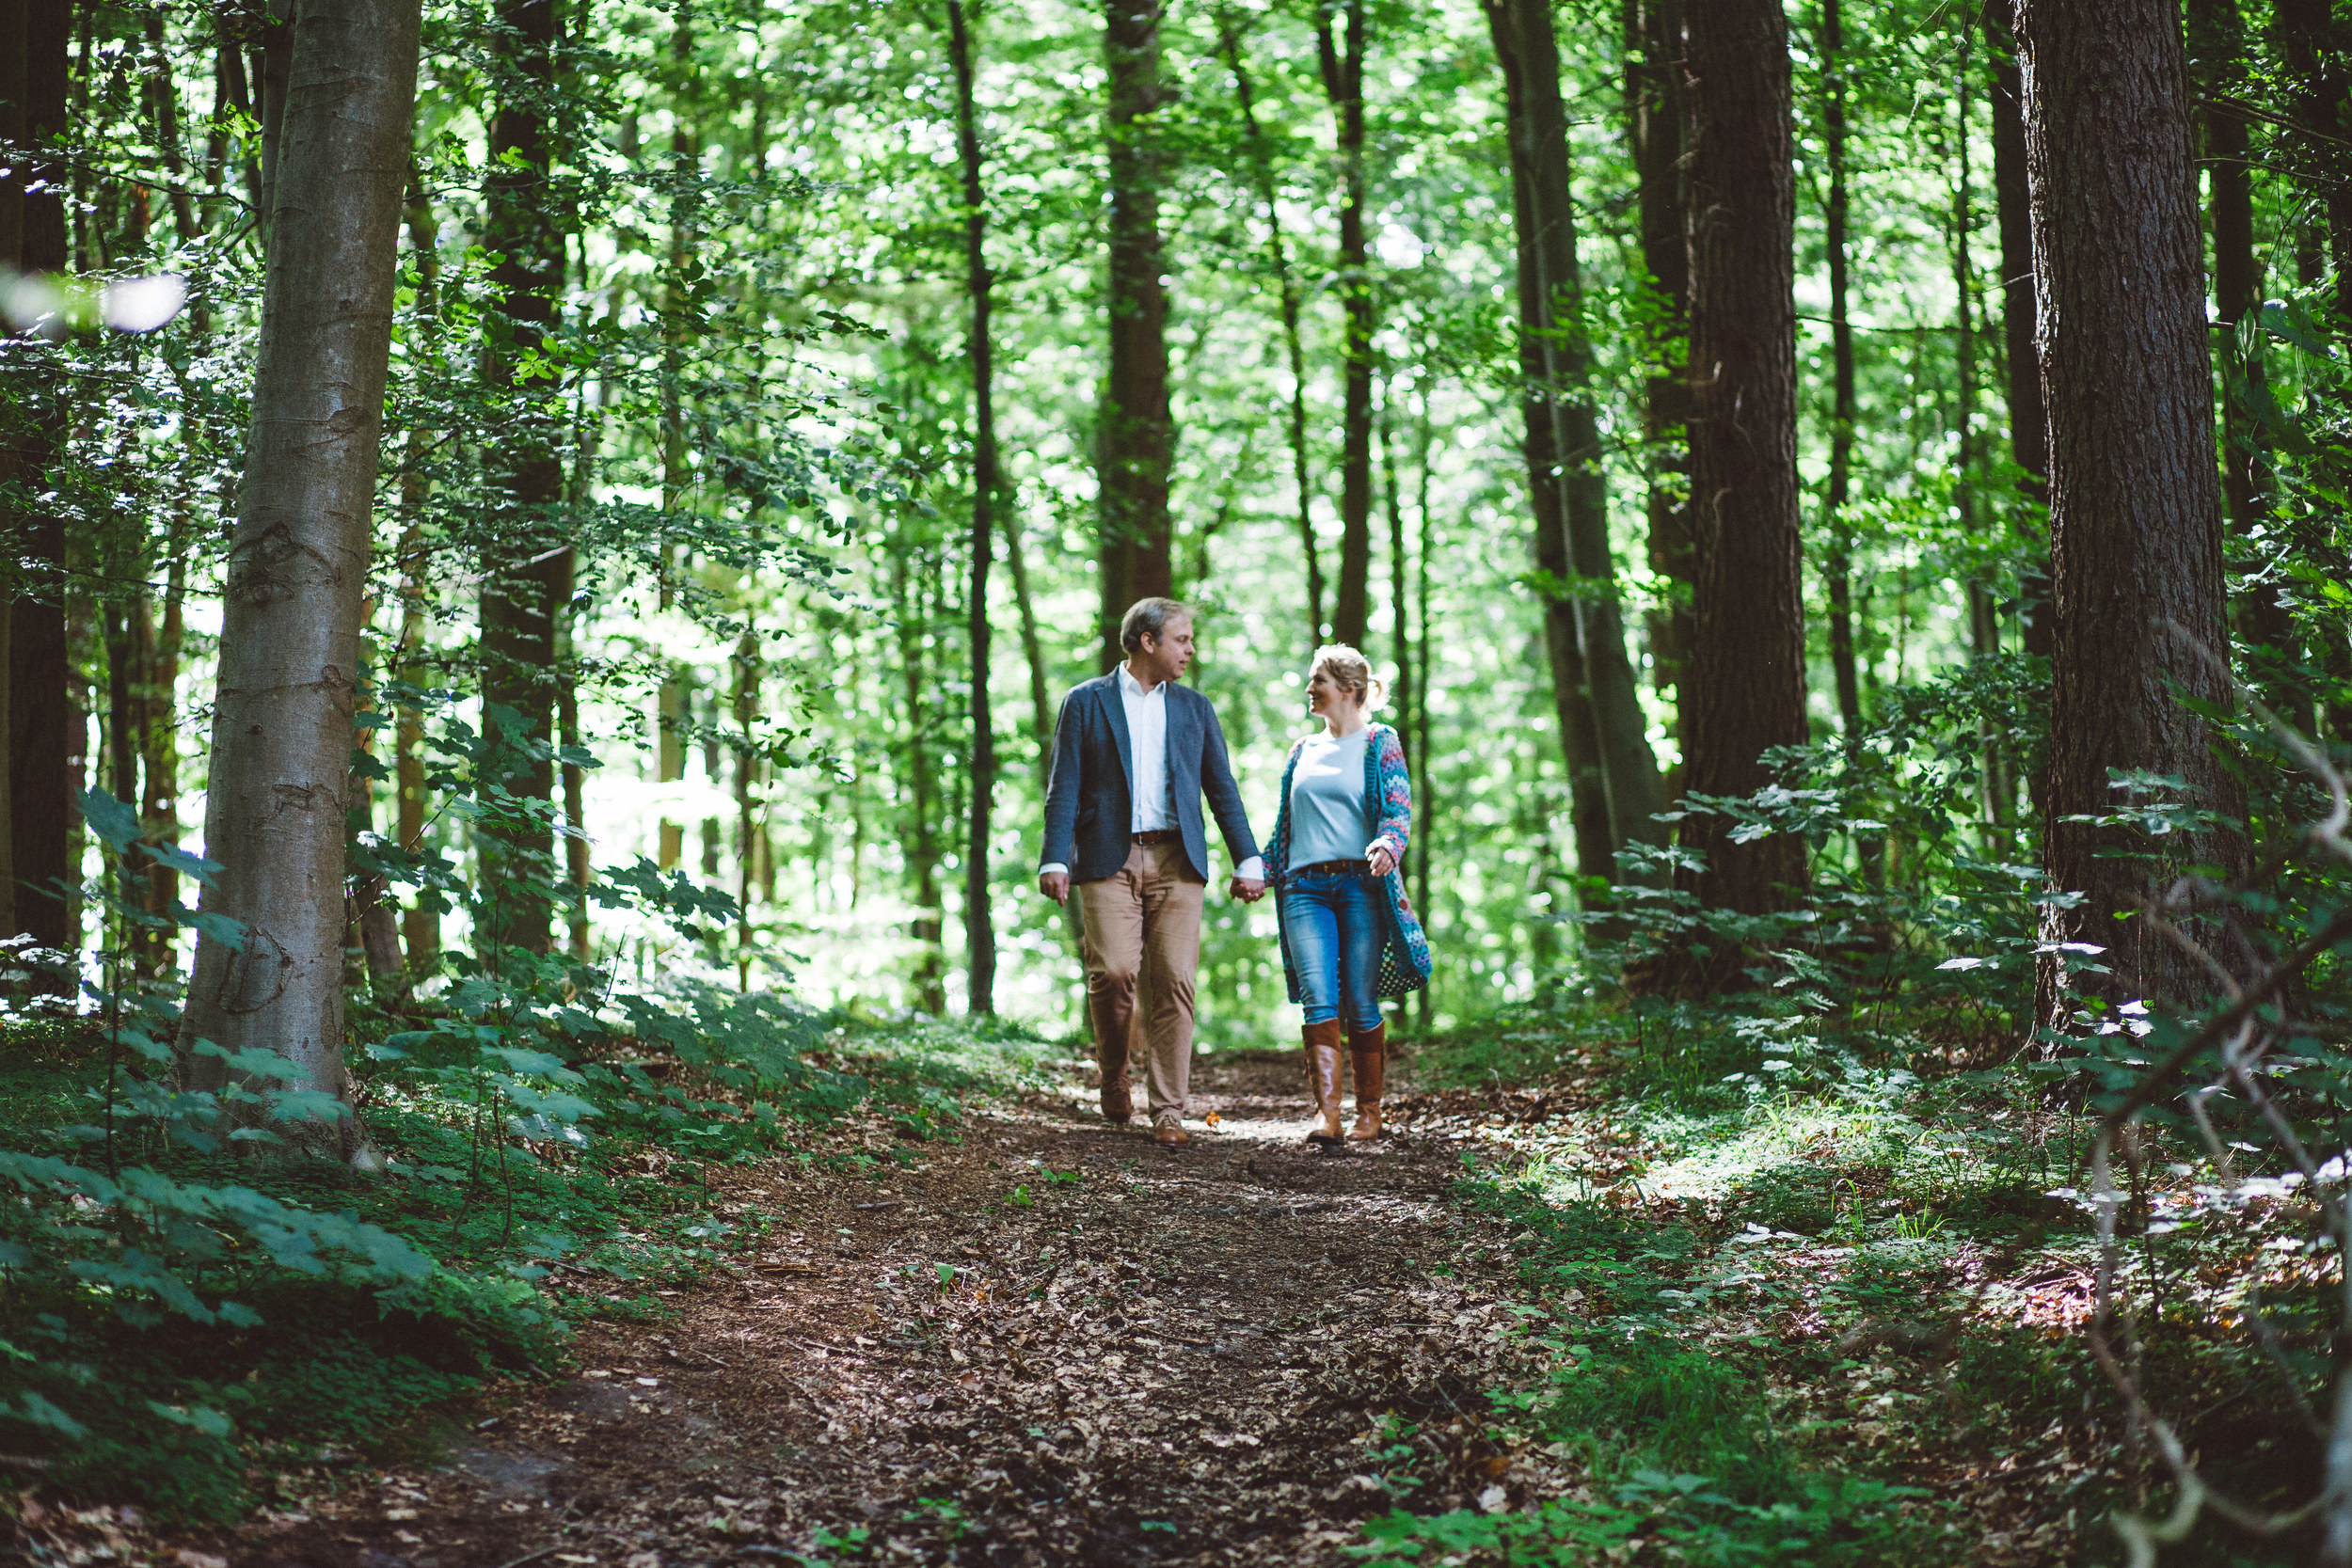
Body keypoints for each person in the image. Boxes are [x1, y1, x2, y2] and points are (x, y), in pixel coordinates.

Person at [1040, 598, 1266, 1147]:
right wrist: (1055, 856)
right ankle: (1114, 1076)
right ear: (1147, 641)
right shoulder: (1086, 702)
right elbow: (1063, 785)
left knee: (1176, 982)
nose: (1190, 649)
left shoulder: (1195, 708)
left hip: (1177, 858)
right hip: (1106, 860)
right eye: (1182, 640)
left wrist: (1249, 858)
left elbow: (1222, 789)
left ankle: (1169, 1111)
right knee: (1113, 973)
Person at [1262, 645, 1431, 1144]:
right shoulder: (1301, 752)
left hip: (1362, 884)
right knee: (1319, 997)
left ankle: (1370, 1111)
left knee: (1359, 999)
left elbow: (1397, 811)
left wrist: (1388, 843)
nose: (1310, 689)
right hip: (1303, 889)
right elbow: (1284, 832)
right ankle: (1327, 1116)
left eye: (1319, 681)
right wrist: (1259, 871)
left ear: (1351, 690)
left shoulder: (1381, 743)